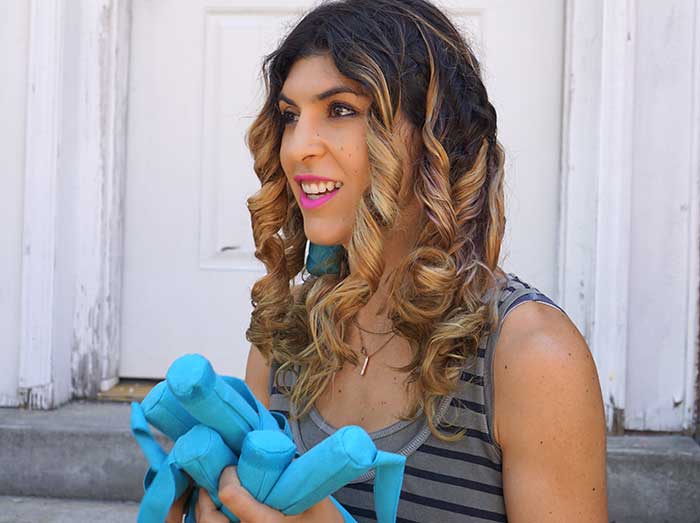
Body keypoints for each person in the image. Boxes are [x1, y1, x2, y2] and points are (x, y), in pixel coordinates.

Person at [167, 0, 608, 521]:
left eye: (340, 110)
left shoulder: (532, 359)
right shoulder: (286, 337)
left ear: (436, 137)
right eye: (289, 116)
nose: (297, 148)